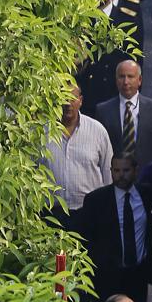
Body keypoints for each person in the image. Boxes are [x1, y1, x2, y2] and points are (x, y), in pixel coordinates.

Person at [76, 154, 152, 302]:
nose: (121, 175)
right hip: (108, 275)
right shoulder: (96, 200)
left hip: (138, 273)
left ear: (135, 170)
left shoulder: (145, 194)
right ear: (111, 171)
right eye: (116, 170)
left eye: (126, 170)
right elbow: (86, 239)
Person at [43, 85, 114, 223]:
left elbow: (108, 174)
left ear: (80, 100)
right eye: (63, 98)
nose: (68, 103)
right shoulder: (41, 132)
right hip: (50, 215)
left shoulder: (97, 131)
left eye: (72, 98)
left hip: (89, 214)